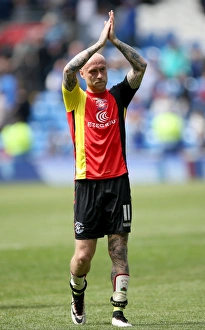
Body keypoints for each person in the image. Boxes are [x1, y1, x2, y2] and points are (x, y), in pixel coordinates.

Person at [62, 10, 147, 327]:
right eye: (93, 71)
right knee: (83, 256)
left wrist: (114, 42)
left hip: (118, 183)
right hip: (86, 184)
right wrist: (97, 43)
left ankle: (118, 311)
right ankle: (77, 294)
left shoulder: (119, 96)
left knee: (119, 249)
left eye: (103, 69)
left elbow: (140, 66)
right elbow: (69, 69)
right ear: (85, 76)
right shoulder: (75, 99)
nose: (99, 74)